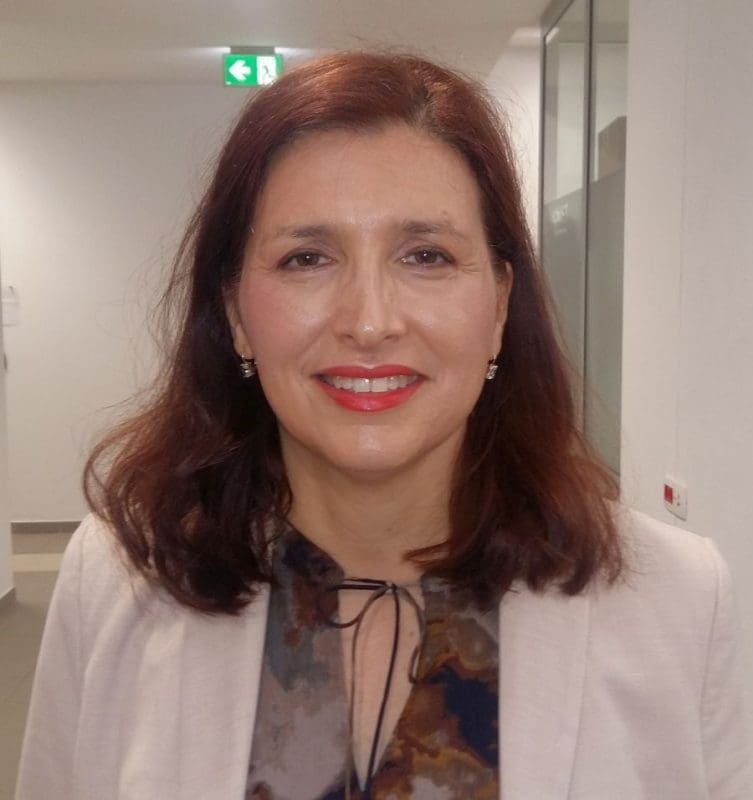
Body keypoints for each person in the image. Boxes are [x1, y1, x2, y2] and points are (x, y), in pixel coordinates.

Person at [15, 52, 752, 800]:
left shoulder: (677, 601)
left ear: (499, 306)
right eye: (306, 258)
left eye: (426, 256)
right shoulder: (115, 577)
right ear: (236, 312)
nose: (368, 322)